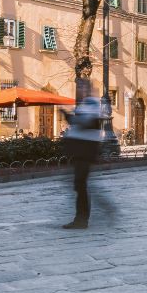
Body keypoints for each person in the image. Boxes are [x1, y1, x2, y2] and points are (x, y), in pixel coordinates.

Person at [60, 80, 105, 229]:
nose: (79, 90)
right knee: (80, 184)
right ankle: (81, 218)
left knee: (80, 184)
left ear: (88, 89)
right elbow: (79, 123)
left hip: (86, 150)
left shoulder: (92, 104)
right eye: (78, 87)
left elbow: (84, 122)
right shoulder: (85, 104)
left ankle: (81, 219)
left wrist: (68, 116)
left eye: (82, 87)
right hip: (81, 150)